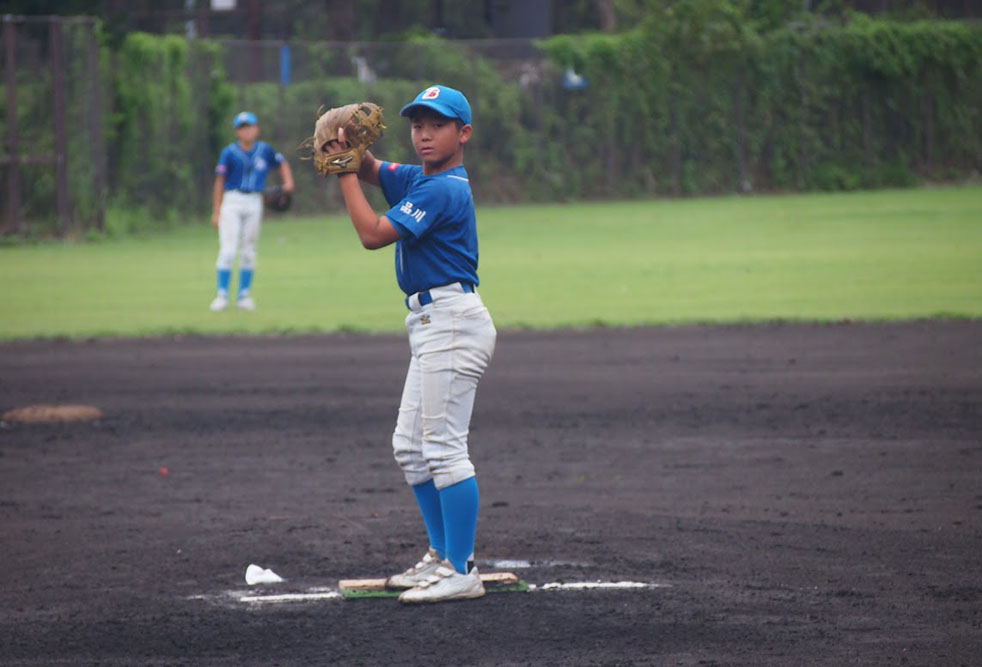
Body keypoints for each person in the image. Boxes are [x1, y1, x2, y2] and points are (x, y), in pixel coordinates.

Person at [327, 85, 496, 603]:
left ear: (462, 133)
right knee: (410, 447)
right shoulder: (420, 177)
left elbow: (373, 233)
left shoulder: (443, 189)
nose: (424, 133)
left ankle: (461, 569)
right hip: (431, 324)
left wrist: (343, 172)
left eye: (437, 125)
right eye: (417, 124)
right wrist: (353, 148)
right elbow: (379, 170)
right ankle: (443, 556)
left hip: (451, 322)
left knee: (444, 450)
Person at [209, 111, 294, 312]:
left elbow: (282, 163)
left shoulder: (265, 150)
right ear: (237, 131)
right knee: (229, 250)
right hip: (232, 200)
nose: (246, 131)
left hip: (255, 200)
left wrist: (289, 183)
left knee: (248, 251)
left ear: (257, 129)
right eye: (242, 127)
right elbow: (219, 182)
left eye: (249, 126)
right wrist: (217, 210)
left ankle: (243, 296)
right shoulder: (229, 152)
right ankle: (222, 295)